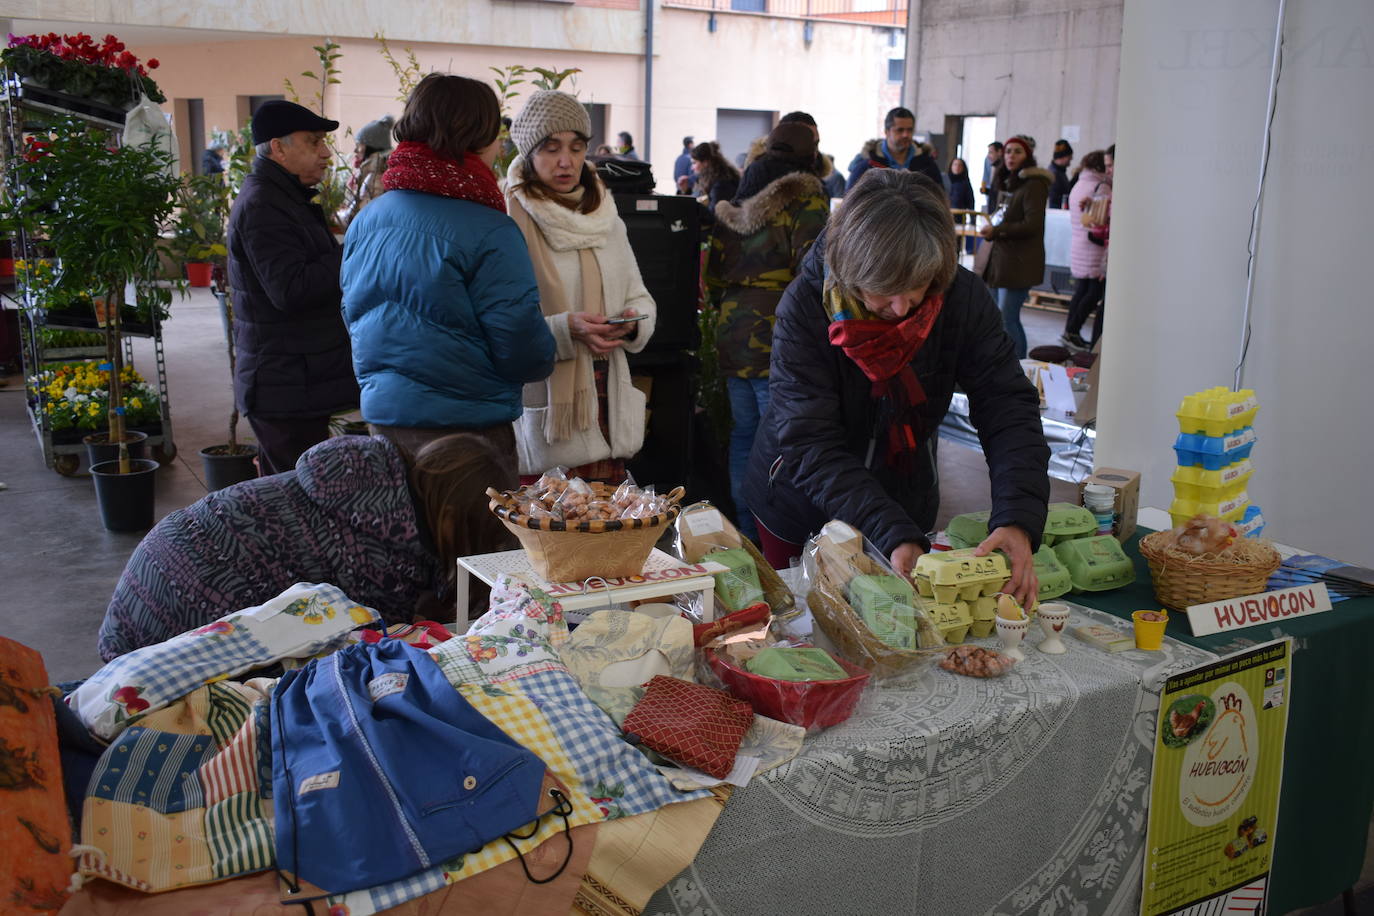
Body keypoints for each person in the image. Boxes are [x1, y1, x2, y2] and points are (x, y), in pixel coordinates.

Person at [743, 169, 1048, 607]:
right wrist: (889, 530)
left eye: (917, 288)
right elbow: (809, 442)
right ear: (851, 269)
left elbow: (1006, 404)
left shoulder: (961, 298)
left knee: (901, 632)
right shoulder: (806, 306)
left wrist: (1018, 516)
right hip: (800, 501)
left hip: (906, 495)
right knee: (806, 628)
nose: (903, 308)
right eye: (884, 291)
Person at [97, 433, 515, 660]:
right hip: (178, 609)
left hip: (160, 561)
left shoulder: (375, 481)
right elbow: (370, 650)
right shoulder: (382, 549)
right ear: (456, 520)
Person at [341, 73, 556, 459]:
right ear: (477, 136)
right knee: (469, 522)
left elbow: (352, 315)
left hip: (384, 422)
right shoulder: (489, 228)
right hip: (467, 432)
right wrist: (549, 349)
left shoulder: (368, 219)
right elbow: (521, 344)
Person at [506, 90, 657, 480]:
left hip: (607, 398)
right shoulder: (509, 218)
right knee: (551, 530)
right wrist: (563, 329)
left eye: (576, 148)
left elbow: (639, 294)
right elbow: (503, 322)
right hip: (551, 409)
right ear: (529, 154)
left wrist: (632, 321)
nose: (565, 160)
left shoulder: (604, 213)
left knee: (605, 526)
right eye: (551, 148)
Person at [706, 121, 829, 541]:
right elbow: (815, 269)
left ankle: (746, 533)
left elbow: (715, 276)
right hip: (779, 330)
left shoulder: (738, 195)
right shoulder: (806, 195)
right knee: (779, 438)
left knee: (744, 434)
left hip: (732, 331)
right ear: (810, 153)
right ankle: (775, 536)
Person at [227, 100, 360, 475]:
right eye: (313, 141)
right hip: (282, 386)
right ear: (278, 147)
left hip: (295, 382)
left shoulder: (283, 197)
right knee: (293, 503)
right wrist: (353, 250)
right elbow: (291, 289)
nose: (325, 154)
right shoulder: (264, 205)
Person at [979, 135, 1051, 359]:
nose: (1011, 156)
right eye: (1008, 151)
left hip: (1019, 262)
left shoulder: (1034, 185)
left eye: (1017, 152)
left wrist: (997, 231)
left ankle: (1018, 367)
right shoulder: (1009, 183)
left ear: (1027, 156)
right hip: (1001, 260)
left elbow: (1032, 224)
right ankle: (1001, 362)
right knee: (996, 318)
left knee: (1008, 318)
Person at [1061, 149, 1110, 349]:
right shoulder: (1102, 186)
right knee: (1093, 291)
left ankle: (1069, 331)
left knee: (1082, 289)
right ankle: (1073, 330)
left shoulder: (1079, 184)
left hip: (1080, 242)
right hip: (1095, 245)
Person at [846, 107, 943, 192]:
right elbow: (850, 200)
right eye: (900, 130)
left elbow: (940, 198)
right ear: (886, 131)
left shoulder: (927, 165)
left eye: (909, 130)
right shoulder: (867, 164)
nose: (905, 135)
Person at [342, 114, 395, 229]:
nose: (356, 150)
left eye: (359, 144)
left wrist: (343, 217)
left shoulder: (376, 176)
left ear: (372, 146)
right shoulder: (373, 171)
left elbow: (365, 214)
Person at [778, 110, 846, 198]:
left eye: (816, 144)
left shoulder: (819, 177)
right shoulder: (761, 178)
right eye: (807, 143)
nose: (814, 152)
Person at [690, 141, 741, 209]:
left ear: (706, 162)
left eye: (694, 163)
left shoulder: (721, 184)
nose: (692, 167)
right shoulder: (709, 179)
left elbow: (713, 214)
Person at [947, 157, 977, 254]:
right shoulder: (945, 181)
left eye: (960, 165)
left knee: (955, 246)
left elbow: (971, 202)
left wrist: (973, 220)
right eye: (955, 164)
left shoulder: (965, 184)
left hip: (958, 219)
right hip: (944, 217)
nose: (957, 167)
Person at [1049, 139, 1074, 209]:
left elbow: (1065, 189)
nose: (1071, 159)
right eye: (1069, 157)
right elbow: (1055, 198)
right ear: (1063, 157)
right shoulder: (1054, 173)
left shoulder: (1060, 171)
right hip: (1057, 213)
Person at [980, 141, 1003, 213]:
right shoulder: (991, 164)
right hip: (992, 207)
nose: (988, 156)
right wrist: (987, 191)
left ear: (999, 152)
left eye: (991, 152)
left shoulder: (1004, 169)